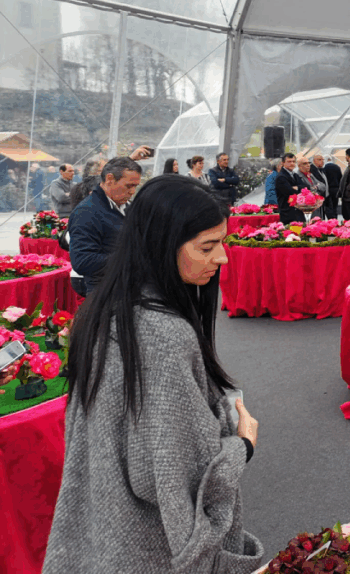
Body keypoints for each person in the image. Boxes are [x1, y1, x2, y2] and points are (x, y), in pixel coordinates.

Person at [43, 176, 264, 574]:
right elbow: (169, 474)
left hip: (98, 532)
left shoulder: (103, 311)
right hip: (149, 547)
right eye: (207, 247)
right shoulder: (163, 333)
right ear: (162, 245)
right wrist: (241, 445)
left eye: (222, 243)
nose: (223, 258)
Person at [69, 157, 142, 295]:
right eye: (129, 186)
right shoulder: (87, 212)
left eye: (135, 186)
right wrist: (131, 257)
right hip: (106, 294)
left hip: (129, 289)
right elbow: (83, 261)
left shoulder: (128, 207)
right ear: (109, 179)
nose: (133, 191)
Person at [275, 153, 305, 225]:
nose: (292, 164)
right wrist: (299, 188)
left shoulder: (295, 175)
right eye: (289, 161)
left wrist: (297, 187)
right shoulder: (281, 177)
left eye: (293, 161)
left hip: (298, 212)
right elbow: (290, 192)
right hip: (288, 213)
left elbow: (305, 188)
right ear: (283, 163)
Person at [322, 156, 344, 220]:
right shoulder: (337, 167)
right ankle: (335, 218)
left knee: (328, 206)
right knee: (335, 205)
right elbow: (341, 178)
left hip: (328, 189)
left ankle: (330, 219)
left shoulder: (325, 168)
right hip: (336, 189)